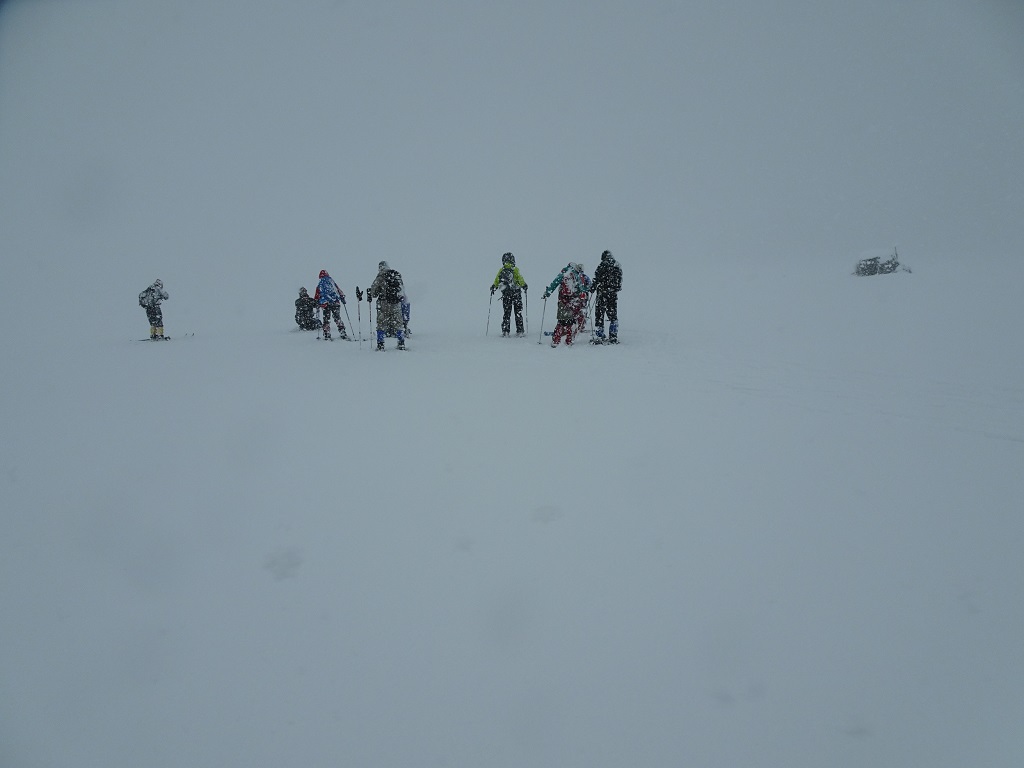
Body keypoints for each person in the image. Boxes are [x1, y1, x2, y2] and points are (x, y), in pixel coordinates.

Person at [542, 263, 590, 347]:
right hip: (573, 301)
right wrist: (584, 293)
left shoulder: (563, 273)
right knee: (570, 321)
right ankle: (569, 340)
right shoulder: (576, 275)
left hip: (562, 301)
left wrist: (547, 293)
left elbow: (554, 283)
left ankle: (556, 340)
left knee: (561, 321)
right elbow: (581, 287)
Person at [366, 260, 407, 350]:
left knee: (381, 323)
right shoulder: (396, 275)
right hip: (396, 303)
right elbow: (402, 290)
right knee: (398, 323)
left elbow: (374, 293)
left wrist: (372, 293)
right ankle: (401, 342)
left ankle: (380, 343)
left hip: (383, 303)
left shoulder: (380, 276)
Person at [489, 252, 528, 337]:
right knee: (518, 312)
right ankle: (520, 330)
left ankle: (505, 331)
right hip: (516, 294)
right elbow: (520, 279)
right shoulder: (515, 269)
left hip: (506, 294)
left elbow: (497, 280)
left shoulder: (502, 270)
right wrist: (524, 285)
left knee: (506, 313)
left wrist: (494, 287)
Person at [591, 250, 622, 343]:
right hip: (613, 294)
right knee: (613, 314)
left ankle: (600, 335)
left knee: (599, 314)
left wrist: (593, 287)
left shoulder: (602, 265)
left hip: (602, 292)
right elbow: (620, 281)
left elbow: (597, 277)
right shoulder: (617, 265)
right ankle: (613, 336)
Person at [314, 269, 348, 340]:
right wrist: (342, 298)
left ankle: (327, 334)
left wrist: (317, 302)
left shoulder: (320, 284)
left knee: (326, 319)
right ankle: (342, 332)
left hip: (325, 304)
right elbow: (339, 290)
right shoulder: (332, 282)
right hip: (335, 302)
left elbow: (317, 295)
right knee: (337, 318)